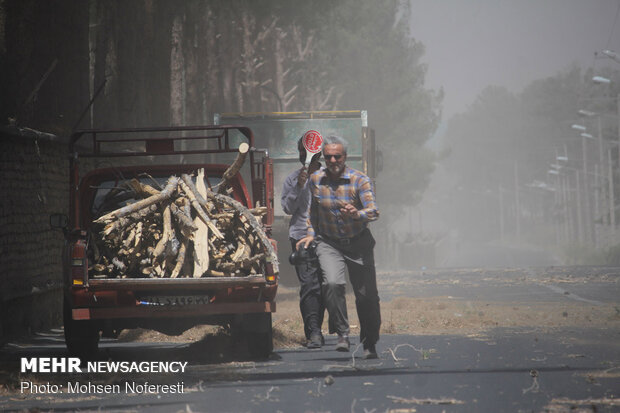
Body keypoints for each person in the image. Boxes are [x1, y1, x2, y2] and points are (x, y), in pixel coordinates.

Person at [296, 135, 381, 359]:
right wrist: (310, 234)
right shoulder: (315, 180)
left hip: (358, 242)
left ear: (345, 157)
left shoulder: (359, 180)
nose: (333, 160)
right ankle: (342, 333)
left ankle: (369, 341)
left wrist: (357, 214)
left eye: (337, 156)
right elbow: (312, 212)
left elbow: (374, 211)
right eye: (329, 156)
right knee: (332, 283)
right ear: (324, 157)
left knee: (367, 297)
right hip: (329, 242)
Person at [281, 136, 325, 349]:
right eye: (300, 151)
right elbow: (288, 209)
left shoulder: (329, 177)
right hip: (300, 237)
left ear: (318, 154)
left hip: (326, 237)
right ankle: (313, 333)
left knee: (326, 284)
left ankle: (323, 326)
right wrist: (298, 187)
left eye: (306, 151)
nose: (302, 156)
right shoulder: (292, 179)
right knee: (309, 284)